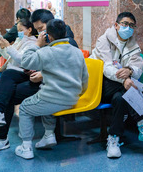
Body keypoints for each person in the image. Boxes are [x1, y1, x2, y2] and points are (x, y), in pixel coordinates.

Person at [0, 10, 79, 155]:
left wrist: (42, 73)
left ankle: (1, 137)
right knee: (9, 75)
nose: (40, 34)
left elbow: (68, 67)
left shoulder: (65, 41)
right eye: (37, 30)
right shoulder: (45, 40)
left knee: (7, 94)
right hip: (40, 78)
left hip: (51, 86)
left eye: (41, 29)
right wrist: (37, 70)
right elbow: (36, 61)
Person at [90, 12, 143, 158]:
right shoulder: (104, 41)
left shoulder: (133, 44)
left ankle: (113, 138)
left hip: (118, 89)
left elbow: (138, 67)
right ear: (116, 25)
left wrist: (130, 70)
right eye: (125, 24)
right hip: (99, 85)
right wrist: (124, 80)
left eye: (132, 25)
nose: (128, 28)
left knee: (120, 98)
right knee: (128, 88)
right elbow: (107, 68)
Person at [12, 19, 88, 159]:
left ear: (49, 36)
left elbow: (26, 61)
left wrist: (36, 44)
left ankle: (26, 146)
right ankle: (48, 136)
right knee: (45, 105)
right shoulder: (77, 52)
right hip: (72, 98)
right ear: (65, 33)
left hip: (52, 99)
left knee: (24, 108)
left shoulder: (46, 52)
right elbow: (85, 79)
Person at [0, 18, 37, 107]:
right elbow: (9, 57)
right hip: (9, 71)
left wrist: (8, 46)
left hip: (18, 72)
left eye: (21, 30)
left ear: (29, 30)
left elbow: (22, 59)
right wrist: (2, 48)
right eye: (18, 31)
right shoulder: (19, 40)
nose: (19, 33)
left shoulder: (32, 43)